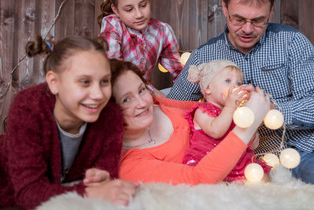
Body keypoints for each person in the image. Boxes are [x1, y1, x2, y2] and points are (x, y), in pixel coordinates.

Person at [167, 0, 314, 200]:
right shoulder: (203, 57)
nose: (247, 29)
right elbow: (173, 110)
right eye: (238, 19)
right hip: (284, 156)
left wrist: (270, 110)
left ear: (271, 12)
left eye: (258, 20)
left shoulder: (291, 41)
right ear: (225, 9)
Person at [0, 36, 138, 209]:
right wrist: (88, 192)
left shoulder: (111, 116)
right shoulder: (28, 106)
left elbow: (106, 177)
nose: (98, 94)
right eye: (84, 82)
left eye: (104, 81)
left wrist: (101, 178)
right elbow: (28, 192)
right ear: (54, 82)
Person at [109, 59, 270, 185]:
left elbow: (209, 108)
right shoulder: (129, 165)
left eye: (141, 89)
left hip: (244, 167)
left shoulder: (157, 103)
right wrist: (247, 127)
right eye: (126, 99)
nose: (142, 102)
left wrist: (245, 103)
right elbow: (198, 180)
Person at [182, 59, 270, 183]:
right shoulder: (202, 110)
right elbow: (216, 131)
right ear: (208, 88)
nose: (235, 86)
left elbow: (252, 144)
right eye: (228, 81)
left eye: (238, 83)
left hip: (237, 162)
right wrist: (229, 107)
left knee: (263, 179)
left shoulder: (237, 113)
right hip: (209, 163)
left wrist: (251, 121)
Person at [98, 0, 183, 95]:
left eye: (143, 5)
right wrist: (152, 92)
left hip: (144, 94)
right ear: (115, 10)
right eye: (129, 9)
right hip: (116, 94)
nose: (139, 14)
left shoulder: (163, 31)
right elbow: (114, 70)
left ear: (149, 0)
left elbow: (180, 73)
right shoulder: (113, 24)